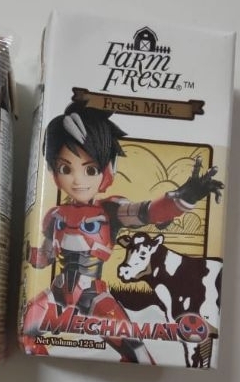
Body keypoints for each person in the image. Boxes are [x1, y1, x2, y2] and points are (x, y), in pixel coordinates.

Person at [22, 102, 223, 363]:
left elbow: (147, 212)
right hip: (58, 291)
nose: (77, 180)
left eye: (90, 169)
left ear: (107, 169)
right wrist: (25, 253)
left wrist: (184, 197)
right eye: (65, 168)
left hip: (93, 295)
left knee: (136, 351)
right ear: (53, 170)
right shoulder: (54, 216)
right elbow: (44, 257)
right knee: (28, 329)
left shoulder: (110, 210)